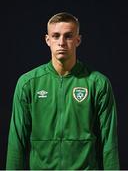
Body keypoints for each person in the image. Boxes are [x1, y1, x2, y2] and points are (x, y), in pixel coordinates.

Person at [6, 12, 120, 170]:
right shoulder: (28, 83)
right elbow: (16, 140)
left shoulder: (98, 83)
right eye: (55, 36)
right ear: (47, 40)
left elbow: (109, 142)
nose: (61, 42)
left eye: (68, 36)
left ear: (78, 40)